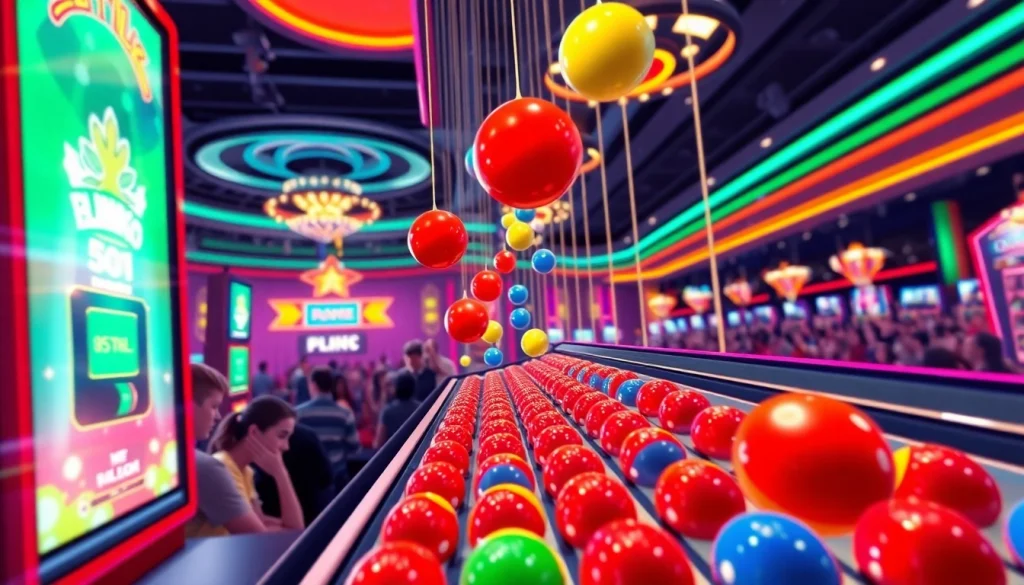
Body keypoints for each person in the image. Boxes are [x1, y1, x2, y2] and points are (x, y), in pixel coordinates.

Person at [190, 389, 305, 536]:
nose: (286, 446)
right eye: (282, 436)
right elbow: (268, 536)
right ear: (254, 432)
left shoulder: (244, 471)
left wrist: (281, 473)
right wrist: (280, 472)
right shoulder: (223, 467)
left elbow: (292, 528)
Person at [254, 423, 334, 526]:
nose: (286, 446)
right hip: (310, 513)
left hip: (269, 513)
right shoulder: (307, 434)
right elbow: (327, 478)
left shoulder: (255, 441)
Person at [296, 367, 361, 489]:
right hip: (337, 477)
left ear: (313, 385)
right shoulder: (345, 414)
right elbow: (354, 448)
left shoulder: (298, 414)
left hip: (306, 479)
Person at [375, 372, 420, 447]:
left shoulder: (387, 411)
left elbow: (378, 443)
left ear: (396, 388)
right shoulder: (422, 408)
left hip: (393, 456)